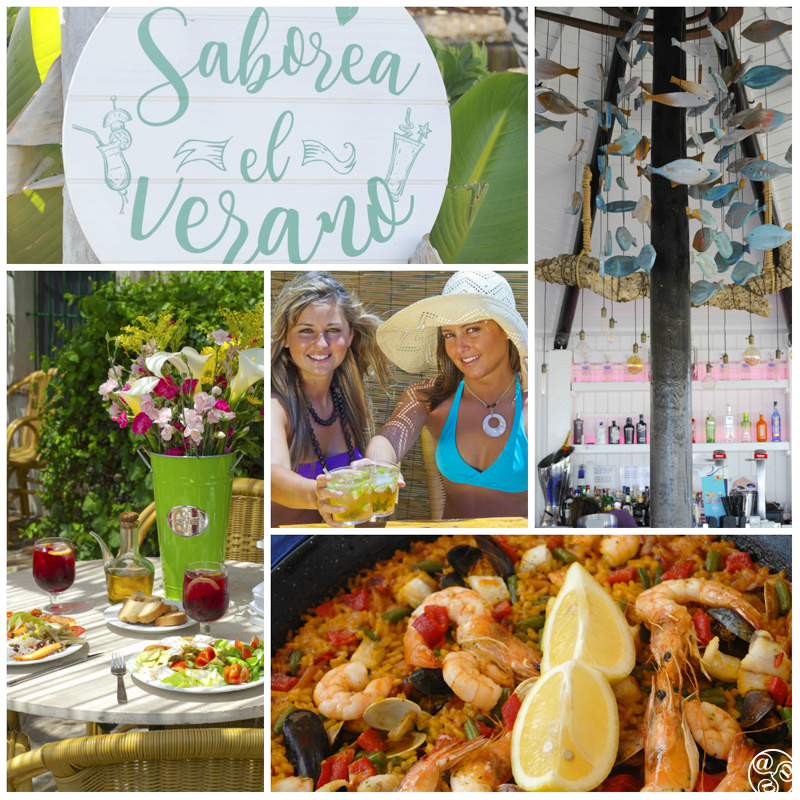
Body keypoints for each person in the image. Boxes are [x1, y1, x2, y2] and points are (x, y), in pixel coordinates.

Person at [318, 271, 527, 522]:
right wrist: (378, 465)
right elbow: (389, 438)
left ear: (506, 330)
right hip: (449, 548)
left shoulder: (534, 401)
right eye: (449, 334)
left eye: (472, 329)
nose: (459, 348)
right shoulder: (427, 397)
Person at [271, 272, 393, 526]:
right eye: (306, 331)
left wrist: (378, 471)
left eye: (333, 330)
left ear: (349, 337)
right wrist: (317, 495)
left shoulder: (347, 397)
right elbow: (273, 474)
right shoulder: (276, 406)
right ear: (284, 337)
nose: (321, 343)